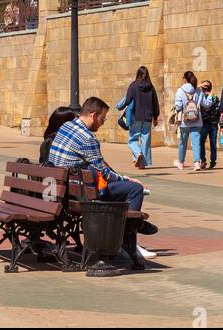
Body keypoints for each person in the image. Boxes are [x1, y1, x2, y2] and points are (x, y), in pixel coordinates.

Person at [47, 97, 157, 230]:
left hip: (63, 189)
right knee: (135, 189)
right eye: (102, 118)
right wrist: (127, 179)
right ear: (93, 116)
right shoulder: (88, 138)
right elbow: (104, 174)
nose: (103, 123)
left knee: (118, 186)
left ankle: (132, 225)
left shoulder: (66, 126)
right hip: (80, 193)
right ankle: (131, 232)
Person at [117, 65, 159, 169]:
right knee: (145, 140)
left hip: (135, 116)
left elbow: (127, 100)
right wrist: (156, 117)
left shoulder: (133, 86)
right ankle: (143, 163)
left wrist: (120, 106)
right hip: (148, 117)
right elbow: (155, 103)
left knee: (132, 139)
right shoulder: (151, 87)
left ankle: (138, 153)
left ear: (138, 74)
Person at [172, 70, 209, 172]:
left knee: (182, 142)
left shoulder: (180, 91)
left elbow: (179, 106)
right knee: (196, 142)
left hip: (185, 121)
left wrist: (176, 107)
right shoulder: (198, 91)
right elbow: (206, 104)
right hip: (197, 120)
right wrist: (210, 96)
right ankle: (197, 163)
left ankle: (181, 162)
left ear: (185, 79)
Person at [198, 79, 221, 169]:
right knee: (213, 144)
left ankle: (203, 160)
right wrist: (221, 125)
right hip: (213, 123)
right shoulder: (215, 97)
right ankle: (213, 162)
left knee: (201, 142)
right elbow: (219, 111)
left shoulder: (200, 97)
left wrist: (200, 86)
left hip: (204, 123)